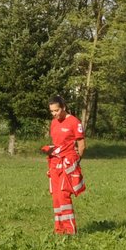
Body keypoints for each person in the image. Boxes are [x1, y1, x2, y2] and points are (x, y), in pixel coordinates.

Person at [43, 97, 85, 235]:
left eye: (57, 110)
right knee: (55, 196)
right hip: (55, 162)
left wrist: (76, 161)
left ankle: (70, 230)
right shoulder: (54, 123)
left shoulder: (74, 122)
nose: (54, 113)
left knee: (63, 195)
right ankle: (59, 229)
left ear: (64, 107)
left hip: (68, 162)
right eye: (52, 111)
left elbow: (81, 145)